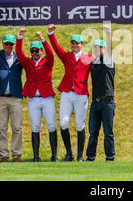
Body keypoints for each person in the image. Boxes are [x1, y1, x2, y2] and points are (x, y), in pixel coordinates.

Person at [47, 25, 94, 162]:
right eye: (72, 43)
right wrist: (51, 34)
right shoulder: (67, 56)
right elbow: (56, 48)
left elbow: (102, 61)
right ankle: (69, 154)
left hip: (81, 94)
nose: (74, 45)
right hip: (67, 93)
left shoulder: (88, 58)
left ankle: (80, 155)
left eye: (77, 43)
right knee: (63, 123)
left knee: (80, 125)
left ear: (82, 45)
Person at [16, 28, 58, 162]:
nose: (34, 53)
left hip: (47, 98)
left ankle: (54, 155)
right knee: (35, 126)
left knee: (51, 125)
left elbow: (51, 54)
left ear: (41, 51)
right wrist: (20, 37)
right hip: (33, 99)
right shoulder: (27, 62)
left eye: (36, 50)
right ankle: (35, 156)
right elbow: (19, 53)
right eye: (32, 51)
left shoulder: (47, 61)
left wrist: (43, 39)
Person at [0, 34, 24, 162]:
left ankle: (16, 155)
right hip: (0, 97)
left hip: (15, 97)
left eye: (11, 44)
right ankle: (3, 155)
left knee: (17, 128)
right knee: (2, 128)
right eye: (6, 44)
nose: (8, 46)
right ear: (2, 44)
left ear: (14, 45)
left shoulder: (19, 57)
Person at [86, 26, 116, 162]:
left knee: (108, 132)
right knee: (93, 132)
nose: (97, 49)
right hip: (95, 102)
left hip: (107, 102)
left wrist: (108, 33)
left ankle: (110, 158)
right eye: (95, 47)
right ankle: (90, 158)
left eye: (100, 47)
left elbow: (110, 49)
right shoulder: (93, 62)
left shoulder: (108, 61)